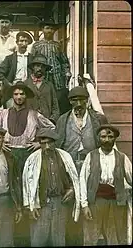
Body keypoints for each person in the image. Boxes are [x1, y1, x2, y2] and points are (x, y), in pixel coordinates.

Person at [0, 81, 55, 246]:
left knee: (28, 186)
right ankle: (12, 228)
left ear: (26, 96)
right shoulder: (4, 114)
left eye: (22, 94)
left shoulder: (34, 114)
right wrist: (1, 143)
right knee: (11, 187)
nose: (19, 97)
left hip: (28, 155)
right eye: (16, 94)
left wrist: (38, 143)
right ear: (12, 97)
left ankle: (30, 230)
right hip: (8, 154)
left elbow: (51, 128)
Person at [55, 86, 108, 246]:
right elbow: (57, 146)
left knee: (91, 203)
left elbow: (107, 144)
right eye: (74, 100)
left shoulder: (99, 119)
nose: (78, 103)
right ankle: (72, 241)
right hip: (69, 169)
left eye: (82, 100)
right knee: (70, 205)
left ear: (87, 101)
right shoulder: (63, 120)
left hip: (92, 168)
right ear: (70, 102)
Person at [22, 128, 80, 246]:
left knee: (58, 238)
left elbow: (74, 178)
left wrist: (72, 190)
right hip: (41, 203)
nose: (47, 146)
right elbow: (26, 183)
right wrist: (30, 206)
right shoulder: (32, 159)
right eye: (44, 143)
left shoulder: (65, 156)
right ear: (40, 144)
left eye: (50, 143)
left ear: (55, 142)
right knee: (39, 239)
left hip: (61, 202)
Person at [80, 124, 132, 245]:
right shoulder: (91, 156)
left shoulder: (122, 158)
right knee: (90, 238)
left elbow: (130, 178)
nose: (107, 140)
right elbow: (82, 180)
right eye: (103, 137)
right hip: (95, 202)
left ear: (115, 139)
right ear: (99, 138)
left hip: (116, 203)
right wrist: (84, 205)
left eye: (110, 137)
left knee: (115, 238)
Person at [31, 17, 72, 115]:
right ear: (43, 29)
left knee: (58, 98)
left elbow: (64, 61)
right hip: (42, 76)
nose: (50, 31)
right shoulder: (36, 45)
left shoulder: (57, 45)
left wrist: (66, 71)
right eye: (47, 28)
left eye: (52, 29)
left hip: (57, 77)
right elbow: (32, 62)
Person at [0, 31, 34, 107]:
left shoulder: (32, 58)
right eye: (21, 41)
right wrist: (8, 83)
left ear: (28, 43)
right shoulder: (9, 59)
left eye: (26, 41)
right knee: (11, 112)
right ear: (17, 42)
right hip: (12, 89)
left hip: (27, 89)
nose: (23, 43)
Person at [24, 54, 59, 124]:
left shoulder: (50, 86)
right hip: (29, 123)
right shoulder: (25, 84)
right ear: (33, 67)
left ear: (45, 69)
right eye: (37, 66)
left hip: (47, 124)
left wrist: (51, 120)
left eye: (43, 67)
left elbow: (55, 108)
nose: (40, 68)